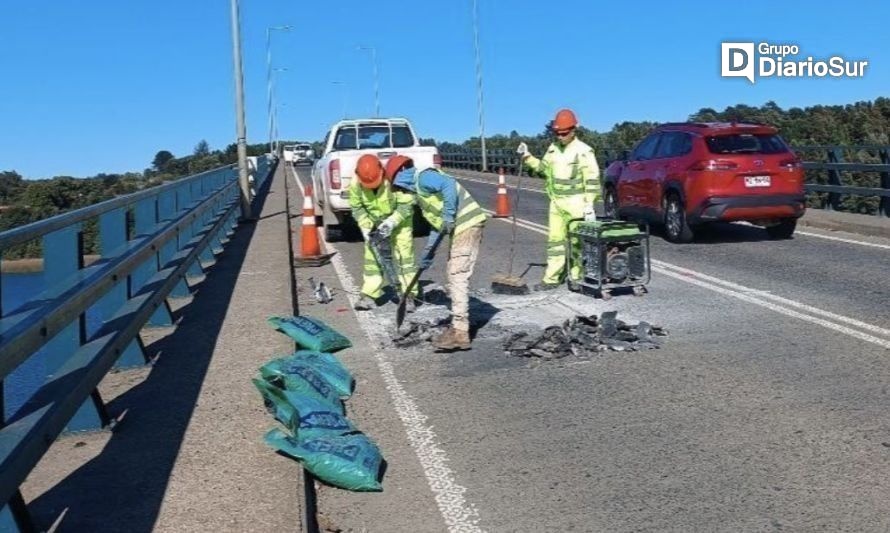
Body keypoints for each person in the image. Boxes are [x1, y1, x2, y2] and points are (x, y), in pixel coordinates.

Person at [386, 155, 486, 351]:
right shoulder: (420, 194)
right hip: (462, 227)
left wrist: (449, 214)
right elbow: (438, 226)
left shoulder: (423, 178)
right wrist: (428, 254)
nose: (400, 190)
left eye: (398, 186)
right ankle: (458, 326)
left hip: (467, 223)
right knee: (453, 273)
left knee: (457, 275)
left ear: (400, 175)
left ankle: (460, 332)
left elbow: (448, 184)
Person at [517, 108, 601, 291]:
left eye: (564, 133)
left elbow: (592, 179)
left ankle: (576, 277)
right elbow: (542, 169)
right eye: (558, 133)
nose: (561, 136)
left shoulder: (584, 151)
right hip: (556, 203)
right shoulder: (553, 149)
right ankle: (552, 279)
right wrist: (527, 157)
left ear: (573, 130)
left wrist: (589, 204)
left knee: (576, 243)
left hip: (577, 204)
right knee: (555, 242)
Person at [350, 154, 418, 311]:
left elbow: (406, 206)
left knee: (404, 257)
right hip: (374, 223)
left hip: (400, 221)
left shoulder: (394, 179)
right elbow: (357, 208)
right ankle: (369, 295)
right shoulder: (355, 185)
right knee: (372, 258)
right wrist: (365, 227)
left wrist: (391, 222)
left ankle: (408, 295)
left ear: (382, 172)